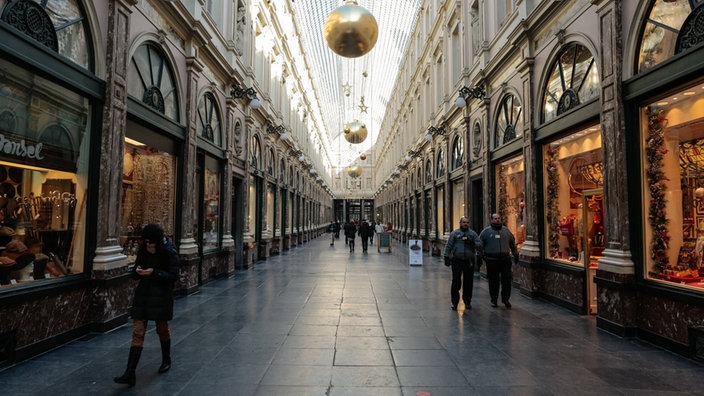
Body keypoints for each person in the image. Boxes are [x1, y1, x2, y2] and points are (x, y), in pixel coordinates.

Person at [114, 224, 180, 387]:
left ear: (158, 241)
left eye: (151, 242)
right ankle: (130, 372)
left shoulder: (169, 250)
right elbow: (136, 272)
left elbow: (173, 275)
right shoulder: (144, 249)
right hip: (143, 295)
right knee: (138, 332)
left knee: (162, 328)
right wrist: (137, 272)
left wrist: (155, 273)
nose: (148, 244)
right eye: (146, 242)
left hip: (161, 296)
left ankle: (166, 359)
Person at [479, 213, 519, 309]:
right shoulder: (486, 232)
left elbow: (512, 243)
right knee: (493, 281)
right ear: (491, 220)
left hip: (505, 259)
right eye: (495, 218)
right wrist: (480, 256)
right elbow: (479, 245)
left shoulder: (506, 231)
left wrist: (515, 254)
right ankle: (494, 299)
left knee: (506, 280)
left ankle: (505, 299)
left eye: (499, 218)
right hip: (492, 260)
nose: (497, 220)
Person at [443, 216, 482, 311]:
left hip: (469, 261)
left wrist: (472, 243)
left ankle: (467, 301)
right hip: (457, 260)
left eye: (467, 222)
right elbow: (449, 245)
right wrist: (446, 256)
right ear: (460, 223)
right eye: (464, 222)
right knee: (456, 281)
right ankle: (455, 302)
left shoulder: (472, 234)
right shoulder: (455, 234)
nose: (466, 224)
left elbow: (480, 245)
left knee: (468, 282)